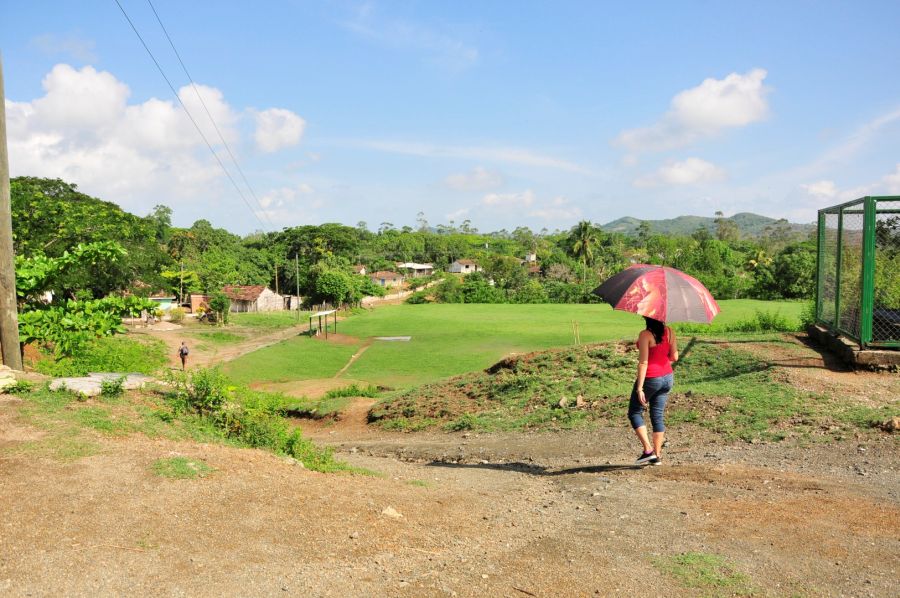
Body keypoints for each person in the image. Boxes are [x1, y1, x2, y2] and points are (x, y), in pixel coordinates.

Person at [628, 317, 678, 466]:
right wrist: (662, 353)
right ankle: (657, 456)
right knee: (657, 416)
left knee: (634, 412)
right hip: (667, 378)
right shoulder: (670, 332)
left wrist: (639, 388)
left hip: (651, 378)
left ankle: (648, 450)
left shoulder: (645, 335)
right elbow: (674, 357)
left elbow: (643, 362)